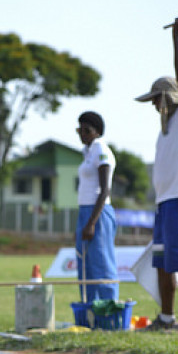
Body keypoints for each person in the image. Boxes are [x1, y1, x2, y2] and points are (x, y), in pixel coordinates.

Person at [135, 15, 178, 334]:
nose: (153, 105)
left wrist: (177, 38)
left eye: (156, 99)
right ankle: (166, 318)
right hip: (166, 205)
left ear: (170, 97)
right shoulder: (163, 131)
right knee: (162, 262)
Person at [75, 111, 118, 303]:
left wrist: (92, 222)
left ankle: (109, 308)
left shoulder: (101, 148)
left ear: (97, 132)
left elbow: (105, 189)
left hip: (98, 213)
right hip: (85, 210)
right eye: (80, 130)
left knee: (102, 263)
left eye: (87, 130)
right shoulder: (88, 152)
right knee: (85, 263)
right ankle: (90, 309)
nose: (82, 134)